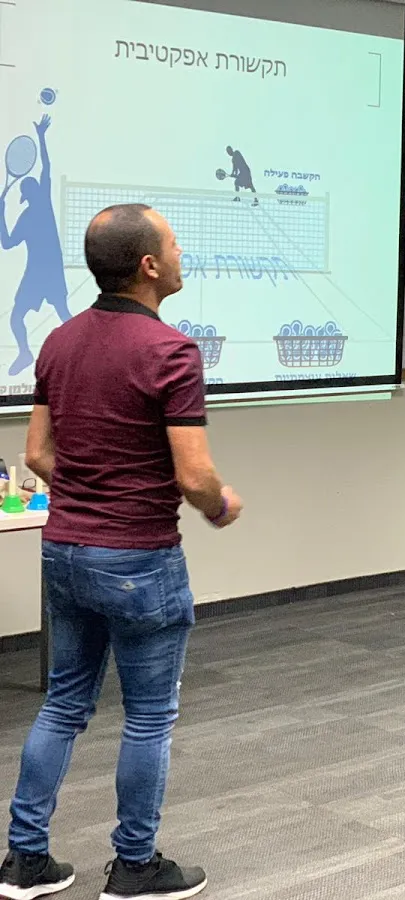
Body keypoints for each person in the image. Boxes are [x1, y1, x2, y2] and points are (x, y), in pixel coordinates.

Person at [0, 204, 243, 900]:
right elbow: (194, 476)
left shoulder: (59, 342)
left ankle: (24, 861)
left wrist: (88, 494)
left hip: (64, 549)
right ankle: (135, 868)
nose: (182, 253)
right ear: (148, 265)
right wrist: (221, 505)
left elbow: (36, 454)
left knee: (63, 705)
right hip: (139, 560)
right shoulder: (172, 352)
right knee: (148, 717)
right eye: (175, 244)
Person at [0, 115, 71, 377]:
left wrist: (41, 137)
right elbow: (7, 243)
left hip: (47, 272)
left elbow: (46, 166)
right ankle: (25, 353)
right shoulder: (28, 216)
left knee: (62, 315)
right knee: (21, 316)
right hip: (39, 273)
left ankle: (86, 351)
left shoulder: (41, 205)